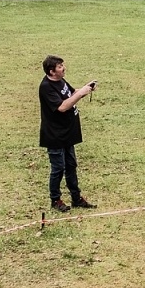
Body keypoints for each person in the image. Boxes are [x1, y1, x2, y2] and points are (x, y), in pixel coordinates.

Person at [38, 55, 97, 212]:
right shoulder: (46, 87)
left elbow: (72, 93)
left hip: (67, 133)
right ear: (51, 71)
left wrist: (85, 89)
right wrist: (80, 94)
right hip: (55, 135)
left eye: (62, 65)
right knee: (58, 168)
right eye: (60, 67)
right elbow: (62, 107)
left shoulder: (60, 80)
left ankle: (76, 198)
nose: (63, 68)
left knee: (71, 166)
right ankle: (55, 200)